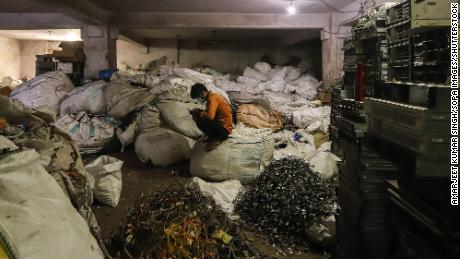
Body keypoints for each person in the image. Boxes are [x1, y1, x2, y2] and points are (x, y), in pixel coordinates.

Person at [189, 83, 233, 151]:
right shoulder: (211, 98)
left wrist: (199, 113)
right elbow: (211, 113)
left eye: (199, 97)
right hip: (220, 127)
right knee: (199, 116)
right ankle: (212, 136)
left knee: (200, 120)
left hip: (224, 130)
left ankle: (217, 138)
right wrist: (199, 111)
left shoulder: (212, 98)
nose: (199, 99)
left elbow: (210, 116)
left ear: (202, 93)